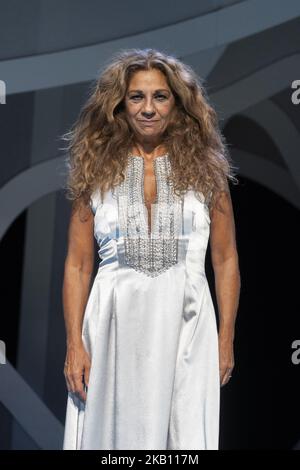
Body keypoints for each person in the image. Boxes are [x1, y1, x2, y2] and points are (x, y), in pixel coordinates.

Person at [61, 48, 241, 450]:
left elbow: (225, 259)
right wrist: (74, 344)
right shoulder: (95, 169)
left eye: (160, 96)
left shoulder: (208, 170)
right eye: (136, 97)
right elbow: (77, 265)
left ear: (177, 103)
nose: (148, 108)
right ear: (119, 105)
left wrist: (225, 337)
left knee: (184, 438)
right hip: (112, 323)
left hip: (187, 322)